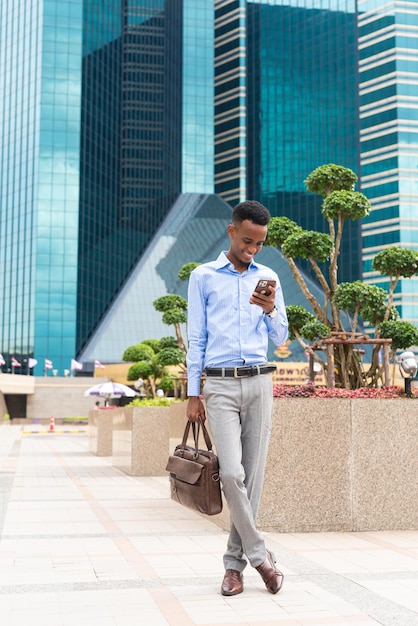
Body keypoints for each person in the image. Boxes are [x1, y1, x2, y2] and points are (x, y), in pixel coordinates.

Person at [186, 200, 289, 596]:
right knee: (231, 474)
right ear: (231, 231)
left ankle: (234, 568)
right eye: (247, 240)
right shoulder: (203, 276)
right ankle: (262, 558)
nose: (252, 249)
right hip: (221, 385)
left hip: (260, 383)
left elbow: (281, 338)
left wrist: (269, 311)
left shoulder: (269, 277)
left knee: (253, 479)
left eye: (260, 244)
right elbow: (197, 338)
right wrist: (193, 392)